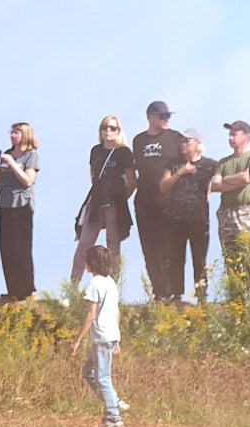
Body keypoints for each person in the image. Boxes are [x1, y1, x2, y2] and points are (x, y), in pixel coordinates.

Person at [74, 116, 135, 284]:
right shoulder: (96, 151)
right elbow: (93, 176)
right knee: (84, 243)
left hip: (115, 203)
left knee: (113, 244)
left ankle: (112, 286)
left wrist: (120, 198)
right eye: (104, 127)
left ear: (118, 131)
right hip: (96, 202)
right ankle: (73, 285)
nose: (108, 130)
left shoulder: (124, 152)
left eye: (112, 128)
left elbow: (132, 182)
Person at [158, 130, 218, 302]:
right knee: (176, 256)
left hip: (198, 218)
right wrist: (180, 173)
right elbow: (163, 186)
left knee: (199, 257)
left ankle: (201, 294)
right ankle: (176, 294)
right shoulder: (174, 164)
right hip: (175, 218)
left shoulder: (209, 165)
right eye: (181, 141)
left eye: (187, 141)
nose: (183, 145)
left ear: (197, 143)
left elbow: (220, 181)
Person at [72, 242, 125, 427]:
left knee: (102, 378)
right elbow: (116, 312)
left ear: (91, 263)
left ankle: (113, 418)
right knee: (88, 371)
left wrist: (77, 340)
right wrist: (116, 338)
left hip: (102, 337)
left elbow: (91, 315)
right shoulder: (110, 282)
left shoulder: (94, 284)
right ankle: (113, 401)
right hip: (109, 335)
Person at [130, 101, 186, 281]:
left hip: (169, 202)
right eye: (162, 116)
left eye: (168, 115)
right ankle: (158, 292)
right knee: (149, 249)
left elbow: (187, 162)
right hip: (145, 203)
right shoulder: (139, 140)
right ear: (150, 117)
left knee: (169, 248)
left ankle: (172, 291)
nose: (166, 119)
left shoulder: (176, 138)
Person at [0, 122, 39, 300]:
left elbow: (28, 180)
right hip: (5, 203)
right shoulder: (8, 154)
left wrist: (12, 164)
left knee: (22, 247)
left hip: (22, 204)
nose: (12, 135)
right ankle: (12, 289)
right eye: (11, 132)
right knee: (6, 247)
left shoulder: (31, 155)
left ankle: (27, 289)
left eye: (16, 132)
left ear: (24, 134)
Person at [211, 120, 250, 289]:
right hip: (227, 212)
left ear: (246, 136)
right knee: (230, 256)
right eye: (230, 134)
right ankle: (236, 294)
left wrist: (226, 181)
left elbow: (246, 178)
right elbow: (216, 185)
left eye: (235, 134)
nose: (231, 137)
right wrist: (233, 181)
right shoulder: (223, 162)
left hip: (246, 211)